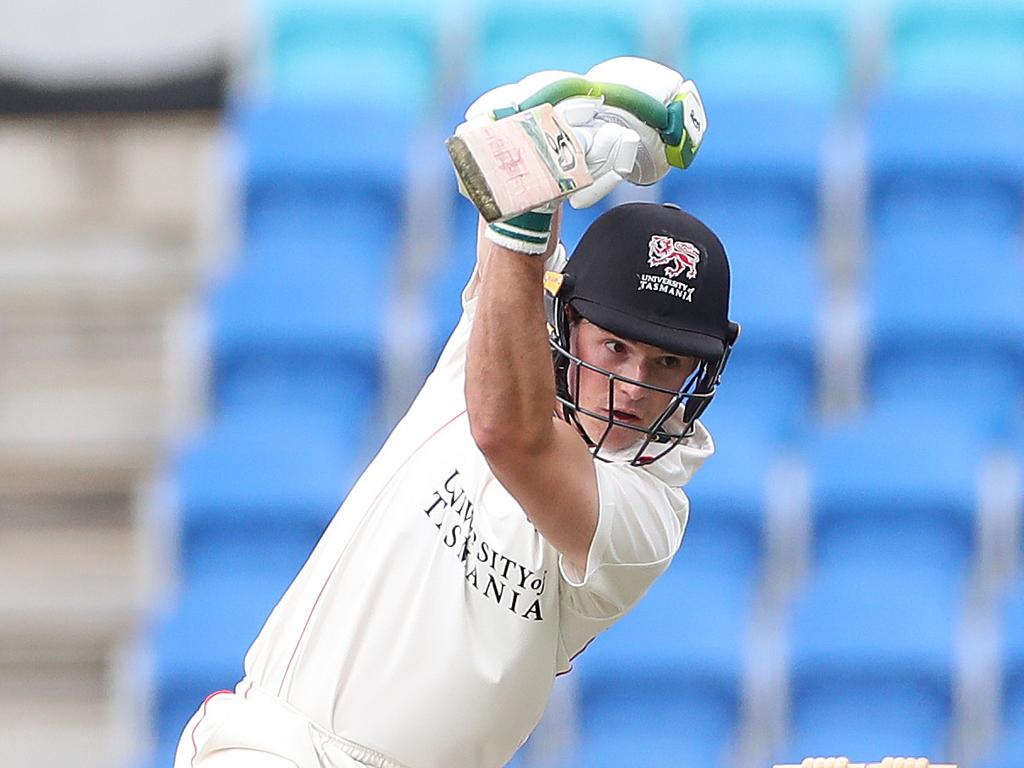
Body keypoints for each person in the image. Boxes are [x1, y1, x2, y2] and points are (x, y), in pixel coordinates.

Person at [174, 58, 738, 768]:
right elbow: (491, 136)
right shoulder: (498, 342)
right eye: (615, 347)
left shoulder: (648, 514)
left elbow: (510, 433)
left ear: (700, 374)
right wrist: (567, 119)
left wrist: (529, 199)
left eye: (666, 364)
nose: (631, 386)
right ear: (564, 323)